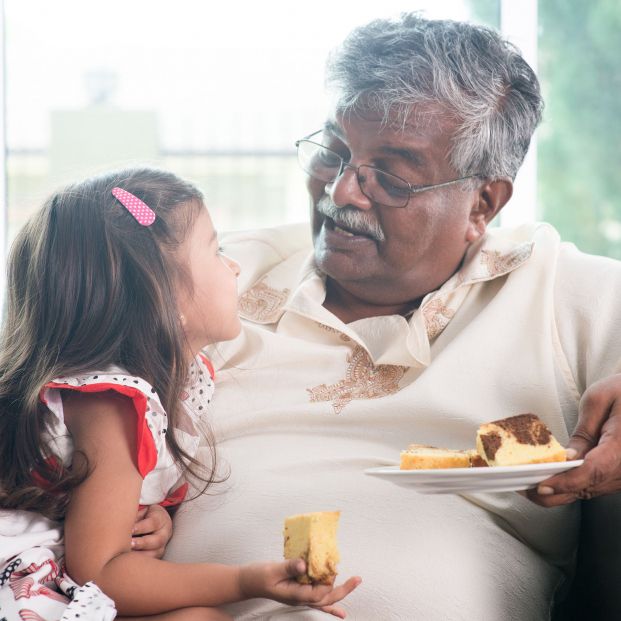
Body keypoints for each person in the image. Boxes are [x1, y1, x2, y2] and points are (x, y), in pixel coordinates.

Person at [164, 14, 621, 620]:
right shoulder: (212, 274)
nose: (344, 191)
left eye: (392, 176)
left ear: (483, 202)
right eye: (333, 151)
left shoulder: (564, 290)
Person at [0, 168, 361, 620]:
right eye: (217, 251)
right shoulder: (112, 404)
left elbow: (97, 523)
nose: (234, 267)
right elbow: (101, 572)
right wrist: (245, 581)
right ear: (163, 297)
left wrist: (151, 521)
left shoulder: (151, 390)